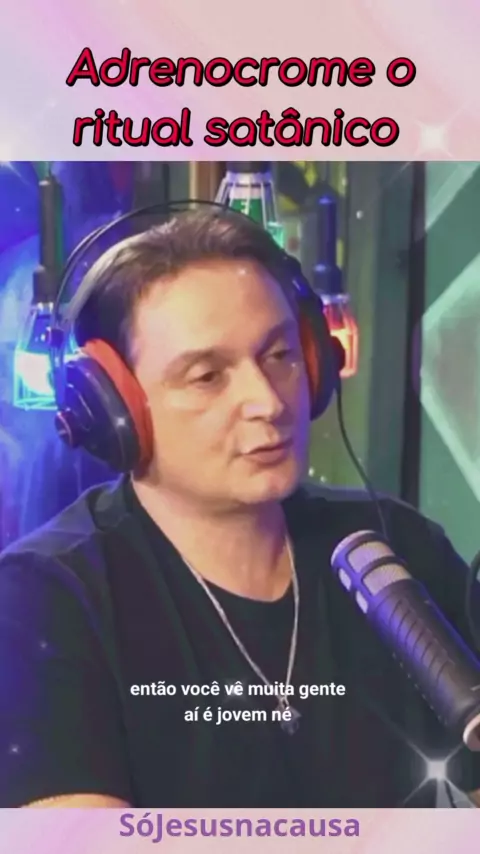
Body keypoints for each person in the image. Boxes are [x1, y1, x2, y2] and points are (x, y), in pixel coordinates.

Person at [0, 209, 479, 810]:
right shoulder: (45, 599)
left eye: (280, 354)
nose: (267, 401)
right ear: (113, 410)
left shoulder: (396, 546)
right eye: (207, 376)